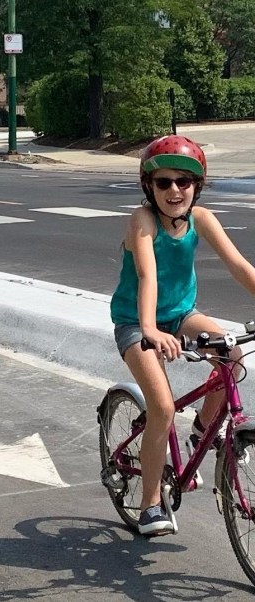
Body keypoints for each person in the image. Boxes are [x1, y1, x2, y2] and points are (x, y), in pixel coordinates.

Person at [110, 135, 255, 537]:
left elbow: (240, 267)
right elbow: (146, 275)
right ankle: (150, 504)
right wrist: (151, 330)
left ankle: (199, 435)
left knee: (233, 355)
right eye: (164, 182)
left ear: (197, 186)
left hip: (182, 315)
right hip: (136, 322)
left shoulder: (202, 219)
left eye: (184, 182)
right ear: (148, 186)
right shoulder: (142, 221)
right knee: (162, 408)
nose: (175, 190)